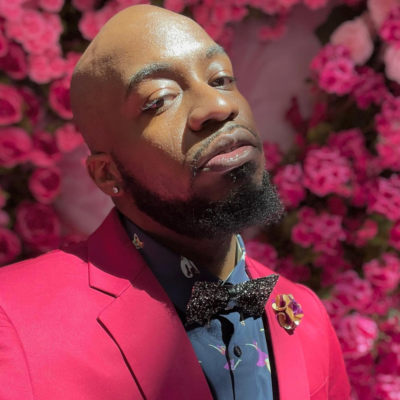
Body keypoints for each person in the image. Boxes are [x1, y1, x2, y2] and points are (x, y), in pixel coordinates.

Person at [0, 5, 350, 400]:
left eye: (221, 78)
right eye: (160, 99)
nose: (219, 107)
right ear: (108, 174)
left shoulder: (306, 315)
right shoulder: (12, 318)